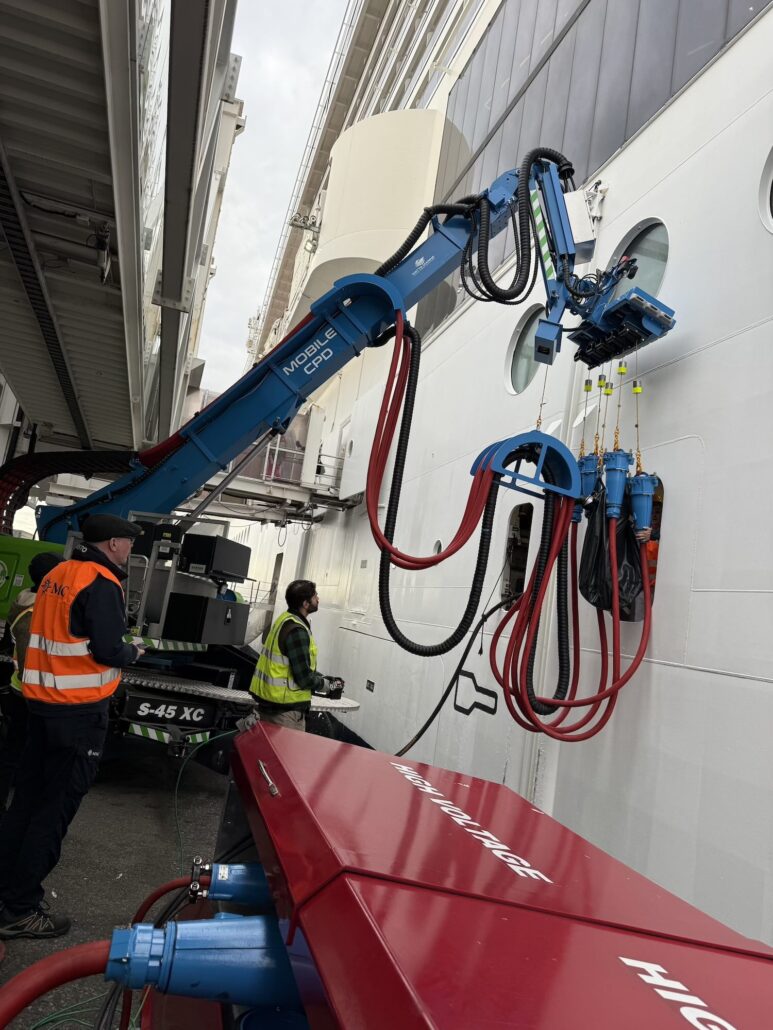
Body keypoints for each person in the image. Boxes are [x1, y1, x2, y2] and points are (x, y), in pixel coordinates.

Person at [0, 514, 144, 939]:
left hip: (42, 706)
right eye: (129, 542)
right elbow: (106, 649)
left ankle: (6, 891)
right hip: (78, 713)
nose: (131, 549)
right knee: (53, 810)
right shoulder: (101, 582)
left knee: (24, 804)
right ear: (115, 543)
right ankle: (21, 909)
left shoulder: (58, 574)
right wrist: (132, 651)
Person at [0, 552, 64, 811]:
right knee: (35, 756)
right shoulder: (46, 608)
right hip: (40, 694)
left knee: (12, 753)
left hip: (19, 688)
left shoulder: (22, 600)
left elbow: (7, 643)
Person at [249, 579, 327, 732]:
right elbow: (304, 678)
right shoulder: (298, 631)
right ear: (305, 604)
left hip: (269, 706)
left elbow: (291, 665)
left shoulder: (284, 619)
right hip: (286, 714)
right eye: (315, 596)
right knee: (289, 754)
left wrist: (320, 677)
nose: (318, 599)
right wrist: (326, 686)